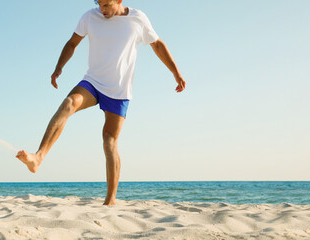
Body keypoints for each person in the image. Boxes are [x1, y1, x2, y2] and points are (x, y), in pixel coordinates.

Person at [16, 0, 186, 205]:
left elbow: (157, 45)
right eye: (100, 4)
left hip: (119, 90)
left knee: (109, 140)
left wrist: (176, 73)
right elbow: (72, 43)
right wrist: (58, 68)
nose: (103, 9)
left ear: (119, 1)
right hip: (93, 82)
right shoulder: (89, 16)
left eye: (107, 5)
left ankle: (110, 199)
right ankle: (38, 157)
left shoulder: (138, 18)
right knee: (69, 102)